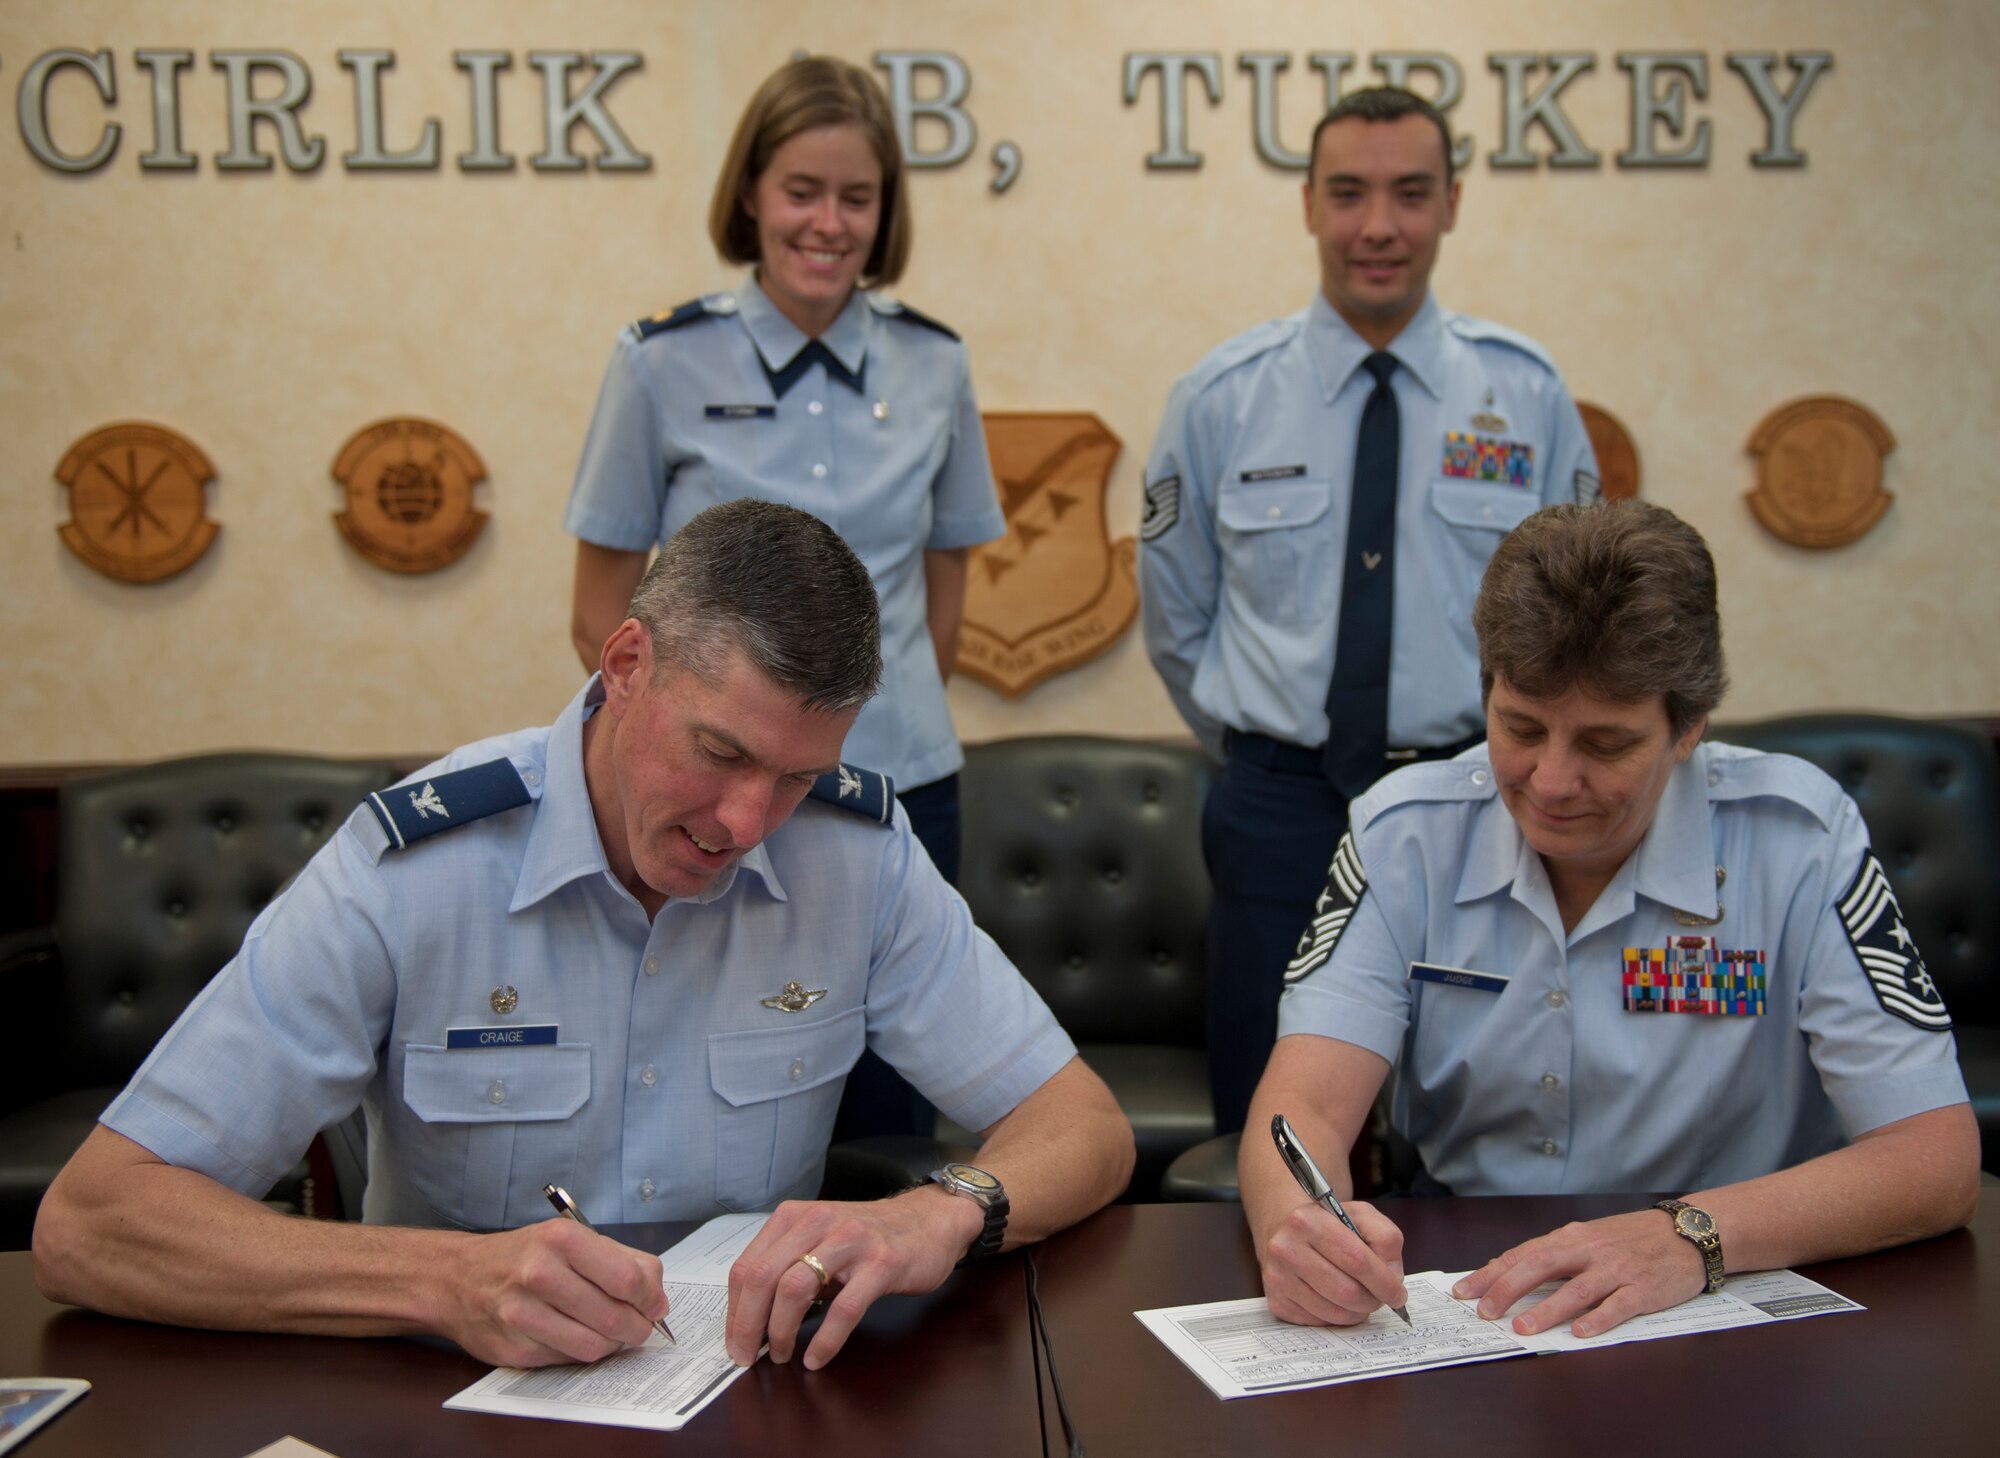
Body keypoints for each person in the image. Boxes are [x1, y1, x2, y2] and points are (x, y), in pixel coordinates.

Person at [35, 500, 1134, 1373]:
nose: (747, 825)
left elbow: (1081, 1126)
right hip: (452, 1403)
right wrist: (443, 1284)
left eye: (795, 777)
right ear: (623, 666)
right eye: (718, 753)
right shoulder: (419, 868)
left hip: (743, 1399)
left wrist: (936, 1216)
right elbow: (94, 1222)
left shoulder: (856, 857)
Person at [1240, 500, 1978, 1341]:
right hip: (1473, 1288)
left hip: (1735, 1279)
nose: (1551, 782)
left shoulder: (1799, 838)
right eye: (1520, 728)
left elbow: (1934, 1159)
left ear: (1688, 728)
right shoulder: (1403, 832)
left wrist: (1687, 1235)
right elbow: (1304, 1109)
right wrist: (1298, 1234)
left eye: (1605, 745)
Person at [1139, 86, 1599, 1135]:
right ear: (1306, 203)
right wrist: (1261, 748)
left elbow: (1574, 621)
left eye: (1408, 193)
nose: (1377, 225)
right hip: (1276, 809)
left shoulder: (1521, 395)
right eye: (1347, 194)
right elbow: (1175, 613)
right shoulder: (1220, 398)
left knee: (1478, 1110)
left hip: (1476, 804)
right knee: (1270, 1118)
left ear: (1451, 203)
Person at [564, 54, 1003, 1141]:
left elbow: (941, 593)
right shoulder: (660, 361)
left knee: (883, 1110)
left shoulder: (933, 365)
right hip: (716, 803)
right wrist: (709, 758)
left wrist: (847, 738)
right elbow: (597, 610)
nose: (828, 221)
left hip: (900, 789)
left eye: (857, 197)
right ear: (751, 193)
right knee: (727, 1093)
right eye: (801, 191)